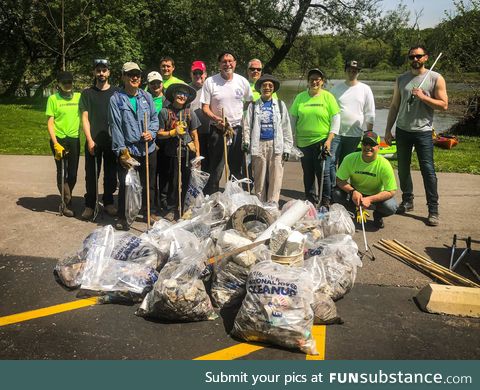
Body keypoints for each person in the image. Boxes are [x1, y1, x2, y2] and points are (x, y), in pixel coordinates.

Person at [385, 45, 448, 226]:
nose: (415, 60)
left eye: (418, 56)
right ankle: (407, 201)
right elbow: (395, 106)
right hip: (403, 131)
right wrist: (388, 129)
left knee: (428, 171)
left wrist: (423, 97)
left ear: (426, 58)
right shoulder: (401, 79)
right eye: (412, 57)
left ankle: (433, 209)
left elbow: (443, 105)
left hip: (423, 132)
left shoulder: (435, 78)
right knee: (403, 169)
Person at [109, 62, 159, 230]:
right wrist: (122, 151)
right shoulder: (116, 99)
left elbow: (154, 119)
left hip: (148, 148)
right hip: (129, 150)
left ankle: (149, 211)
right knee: (126, 184)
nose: (135, 77)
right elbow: (115, 126)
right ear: (123, 76)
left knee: (149, 183)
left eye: (137, 74)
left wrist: (151, 132)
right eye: (130, 74)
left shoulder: (146, 97)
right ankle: (123, 216)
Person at [201, 51, 253, 194]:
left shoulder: (242, 81)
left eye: (230, 61)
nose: (227, 64)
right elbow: (204, 107)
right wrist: (216, 119)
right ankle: (214, 200)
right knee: (216, 169)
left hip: (236, 130)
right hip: (217, 130)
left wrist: (242, 117)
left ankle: (234, 198)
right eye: (224, 61)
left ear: (235, 63)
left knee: (236, 168)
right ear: (219, 64)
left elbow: (249, 102)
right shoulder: (210, 82)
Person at [289, 68, 340, 207]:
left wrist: (329, 140)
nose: (314, 81)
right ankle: (310, 201)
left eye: (318, 79)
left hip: (322, 141)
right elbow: (293, 120)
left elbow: (336, 119)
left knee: (323, 173)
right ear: (308, 81)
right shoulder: (300, 97)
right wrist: (291, 141)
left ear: (322, 81)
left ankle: (325, 201)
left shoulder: (328, 97)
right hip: (303, 142)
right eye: (312, 79)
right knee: (308, 173)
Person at [242, 74, 292, 203]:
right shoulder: (253, 106)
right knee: (259, 179)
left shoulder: (280, 105)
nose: (267, 88)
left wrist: (287, 148)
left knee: (276, 178)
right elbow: (247, 126)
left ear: (274, 88)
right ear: (260, 88)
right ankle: (260, 204)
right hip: (259, 145)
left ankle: (272, 205)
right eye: (264, 85)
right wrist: (246, 141)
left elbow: (286, 127)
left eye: (270, 85)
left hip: (276, 146)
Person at [79, 59, 119, 220]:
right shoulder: (87, 93)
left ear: (109, 72)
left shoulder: (117, 92)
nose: (101, 73)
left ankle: (108, 202)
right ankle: (90, 205)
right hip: (93, 140)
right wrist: (89, 139)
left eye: (104, 70)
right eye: (98, 70)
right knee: (91, 174)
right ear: (94, 73)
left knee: (110, 174)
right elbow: (85, 117)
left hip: (111, 140)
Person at [333, 131, 398, 229]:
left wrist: (370, 199)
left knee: (391, 206)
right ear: (361, 145)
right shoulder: (350, 158)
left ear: (378, 147)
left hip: (375, 196)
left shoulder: (384, 164)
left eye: (372, 144)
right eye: (365, 143)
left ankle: (378, 215)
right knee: (336, 193)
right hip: (356, 194)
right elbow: (339, 180)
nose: (368, 147)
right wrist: (352, 192)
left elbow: (391, 191)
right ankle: (353, 211)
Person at [157, 83, 200, 220]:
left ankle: (184, 208)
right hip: (171, 153)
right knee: (173, 182)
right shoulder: (164, 112)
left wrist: (198, 155)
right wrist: (173, 132)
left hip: (187, 153)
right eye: (179, 93)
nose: (182, 96)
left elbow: (194, 135)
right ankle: (171, 207)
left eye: (185, 94)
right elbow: (159, 134)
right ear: (174, 95)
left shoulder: (189, 112)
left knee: (187, 181)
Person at [45, 71, 81, 217]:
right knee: (62, 172)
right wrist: (55, 143)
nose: (68, 85)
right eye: (64, 82)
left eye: (70, 82)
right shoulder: (53, 99)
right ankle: (66, 202)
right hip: (59, 139)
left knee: (72, 173)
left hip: (74, 139)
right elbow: (50, 123)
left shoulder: (79, 97)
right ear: (58, 84)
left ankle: (68, 196)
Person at [330, 60, 375, 170]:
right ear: (345, 71)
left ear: (358, 72)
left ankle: (341, 186)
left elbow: (369, 112)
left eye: (354, 71)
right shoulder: (335, 88)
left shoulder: (365, 89)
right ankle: (330, 186)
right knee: (331, 162)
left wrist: (369, 132)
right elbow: (329, 110)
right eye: (349, 70)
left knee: (346, 164)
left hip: (354, 134)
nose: (352, 73)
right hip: (336, 133)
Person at [146, 71, 168, 212]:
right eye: (152, 83)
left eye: (158, 83)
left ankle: (163, 199)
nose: (156, 85)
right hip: (150, 139)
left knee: (165, 172)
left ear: (162, 84)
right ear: (148, 85)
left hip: (165, 139)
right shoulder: (145, 98)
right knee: (151, 174)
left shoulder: (168, 100)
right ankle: (150, 203)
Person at [189, 60, 210, 171]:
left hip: (209, 132)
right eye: (195, 73)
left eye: (200, 73)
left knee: (208, 163)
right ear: (191, 74)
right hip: (192, 133)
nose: (198, 76)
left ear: (205, 74)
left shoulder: (210, 88)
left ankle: (208, 188)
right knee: (193, 163)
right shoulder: (186, 90)